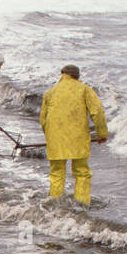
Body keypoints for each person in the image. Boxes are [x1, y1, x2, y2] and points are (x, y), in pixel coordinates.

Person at [39, 63, 107, 205]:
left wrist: (50, 137)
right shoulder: (84, 89)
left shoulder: (51, 92)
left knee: (56, 173)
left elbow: (43, 119)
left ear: (63, 75)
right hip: (78, 138)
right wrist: (102, 133)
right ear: (77, 76)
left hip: (55, 138)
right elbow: (97, 112)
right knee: (82, 172)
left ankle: (54, 205)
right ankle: (81, 205)